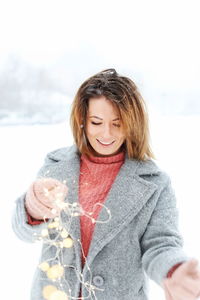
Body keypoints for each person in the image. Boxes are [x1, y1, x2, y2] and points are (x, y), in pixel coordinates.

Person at [12, 69, 200, 300]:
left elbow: (160, 245)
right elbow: (24, 233)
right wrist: (33, 208)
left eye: (117, 123)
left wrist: (174, 270)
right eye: (96, 122)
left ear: (132, 123)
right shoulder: (55, 166)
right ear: (83, 120)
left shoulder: (155, 184)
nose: (106, 133)